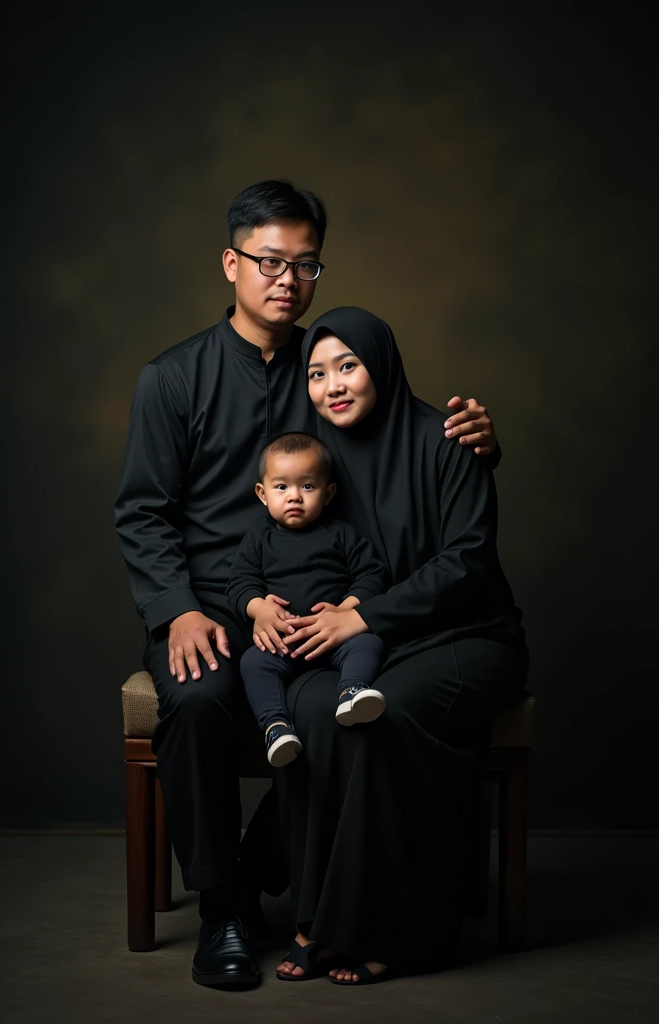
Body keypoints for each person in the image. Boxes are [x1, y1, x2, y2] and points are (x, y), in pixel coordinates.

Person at [114, 179, 503, 990]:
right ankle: (225, 907)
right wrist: (179, 610)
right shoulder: (172, 379)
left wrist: (471, 440)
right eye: (269, 261)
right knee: (196, 698)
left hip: (319, 601)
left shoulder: (327, 363)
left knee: (341, 711)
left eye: (306, 265)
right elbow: (144, 515)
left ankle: (285, 876)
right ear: (231, 264)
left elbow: (401, 436)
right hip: (211, 608)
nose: (287, 280)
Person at [273, 307, 528, 986]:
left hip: (469, 636)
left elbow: (468, 560)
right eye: (317, 372)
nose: (333, 385)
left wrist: (364, 617)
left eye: (348, 366)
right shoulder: (314, 462)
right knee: (316, 706)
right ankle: (322, 924)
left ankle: (406, 933)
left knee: (387, 714)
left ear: (380, 364)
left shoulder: (446, 439)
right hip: (369, 644)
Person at [227, 432, 387, 768]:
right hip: (283, 644)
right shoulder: (259, 539)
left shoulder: (340, 534)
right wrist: (260, 609)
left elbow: (372, 575)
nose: (294, 497)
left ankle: (352, 692)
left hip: (335, 639)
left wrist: (345, 611)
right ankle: (275, 727)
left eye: (308, 487)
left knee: (369, 643)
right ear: (262, 493)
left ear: (328, 493)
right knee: (252, 663)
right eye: (281, 487)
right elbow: (240, 584)